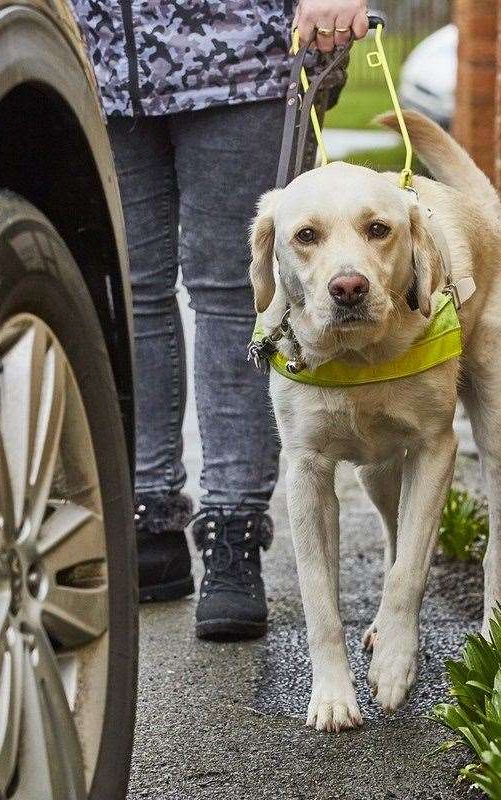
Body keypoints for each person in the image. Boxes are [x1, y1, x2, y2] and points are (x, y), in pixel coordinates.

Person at [72, 0, 368, 640]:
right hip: (97, 63)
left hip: (239, 58)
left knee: (236, 293)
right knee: (130, 291)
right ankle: (149, 511)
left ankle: (233, 530)